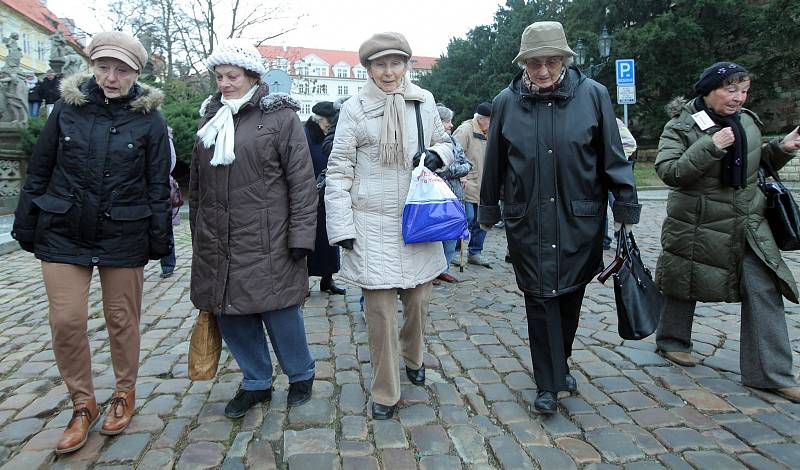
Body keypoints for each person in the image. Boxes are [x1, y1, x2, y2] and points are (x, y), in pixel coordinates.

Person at [11, 31, 171, 453]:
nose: (111, 77)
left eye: (121, 70)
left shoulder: (150, 120)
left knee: (122, 321)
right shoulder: (67, 108)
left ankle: (124, 392)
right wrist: (26, 226)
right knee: (66, 320)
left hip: (123, 232)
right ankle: (83, 403)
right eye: (104, 67)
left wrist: (160, 241)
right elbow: (40, 168)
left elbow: (158, 184)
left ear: (136, 73)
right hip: (63, 229)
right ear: (92, 66)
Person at [478, 21, 641, 414]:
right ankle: (547, 384)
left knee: (569, 294)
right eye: (535, 63)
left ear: (566, 60)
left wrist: (625, 203)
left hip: (579, 216)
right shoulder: (505, 101)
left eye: (552, 61)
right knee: (539, 298)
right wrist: (487, 209)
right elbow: (495, 163)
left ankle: (560, 364)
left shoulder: (594, 95)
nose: (544, 71)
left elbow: (612, 156)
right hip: (528, 218)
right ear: (523, 64)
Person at [654, 62, 800, 402]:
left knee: (765, 289)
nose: (739, 98)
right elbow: (670, 172)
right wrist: (711, 145)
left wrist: (781, 149)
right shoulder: (680, 125)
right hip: (697, 220)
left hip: (748, 222)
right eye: (731, 90)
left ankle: (770, 373)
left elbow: (756, 162)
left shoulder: (747, 121)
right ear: (708, 90)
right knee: (683, 279)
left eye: (744, 90)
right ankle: (672, 341)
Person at [325, 32, 454, 419]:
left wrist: (436, 154)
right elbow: (339, 169)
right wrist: (341, 227)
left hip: (417, 219)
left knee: (419, 302)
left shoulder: (423, 100)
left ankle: (413, 357)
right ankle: (385, 392)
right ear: (368, 68)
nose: (388, 71)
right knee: (379, 313)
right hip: (370, 224)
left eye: (395, 63)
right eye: (380, 64)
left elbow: (444, 142)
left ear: (406, 64)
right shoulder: (354, 109)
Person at [189, 40, 318, 419]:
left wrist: (301, 236)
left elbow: (301, 182)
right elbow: (197, 181)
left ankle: (301, 374)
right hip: (218, 236)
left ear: (252, 77)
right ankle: (256, 382)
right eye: (219, 76)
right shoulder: (210, 115)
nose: (225, 83)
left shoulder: (280, 118)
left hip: (268, 235)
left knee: (279, 311)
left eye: (233, 76)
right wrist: (198, 232)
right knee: (231, 312)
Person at [304, 101, 346, 295]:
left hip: (329, 193)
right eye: (328, 124)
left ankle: (327, 279)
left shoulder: (331, 135)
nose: (330, 127)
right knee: (308, 241)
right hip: (308, 195)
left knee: (330, 240)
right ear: (320, 120)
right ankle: (302, 283)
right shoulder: (305, 135)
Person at [434, 103, 472, 284]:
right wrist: (453, 169)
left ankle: (444, 269)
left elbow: (465, 164)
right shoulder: (429, 142)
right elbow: (440, 170)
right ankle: (430, 271)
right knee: (434, 237)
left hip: (455, 194)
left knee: (451, 235)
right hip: (436, 196)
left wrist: (453, 169)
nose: (451, 125)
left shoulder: (453, 141)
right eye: (447, 122)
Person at [454, 102, 492, 268]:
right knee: (466, 217)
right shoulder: (465, 130)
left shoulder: (490, 131)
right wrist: (462, 176)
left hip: (485, 184)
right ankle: (455, 251)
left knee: (483, 220)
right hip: (467, 183)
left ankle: (475, 252)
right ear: (481, 118)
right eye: (491, 119)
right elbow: (453, 154)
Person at [603, 118, 638, 249]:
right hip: (597, 175)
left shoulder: (614, 121)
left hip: (613, 173)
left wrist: (615, 160)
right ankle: (603, 240)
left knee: (618, 205)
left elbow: (630, 143)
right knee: (600, 209)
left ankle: (623, 238)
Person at [161, 127, 181, 278]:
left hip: (160, 185)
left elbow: (170, 160)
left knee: (165, 227)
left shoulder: (163, 132)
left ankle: (168, 264)